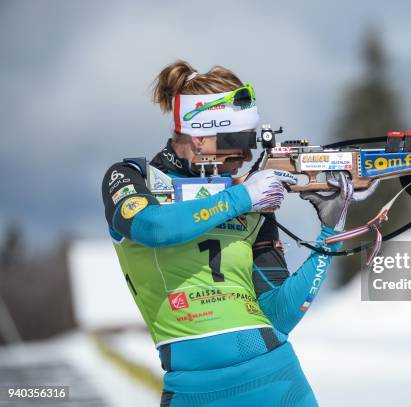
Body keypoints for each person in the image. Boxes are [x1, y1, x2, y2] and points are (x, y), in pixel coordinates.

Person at [101, 60, 376, 406]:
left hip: (278, 382)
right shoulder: (134, 178)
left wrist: (329, 231)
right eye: (238, 140)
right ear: (199, 136)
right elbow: (152, 227)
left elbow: (277, 316)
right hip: (191, 391)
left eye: (252, 142)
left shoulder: (252, 201)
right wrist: (242, 196)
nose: (247, 156)